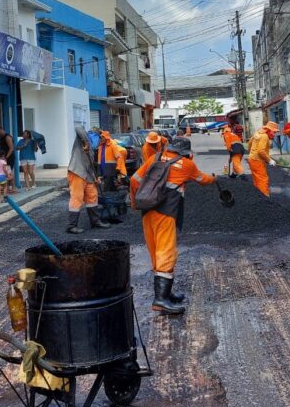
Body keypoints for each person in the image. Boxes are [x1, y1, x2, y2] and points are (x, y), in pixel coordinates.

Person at [130, 139, 215, 315]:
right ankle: (160, 300)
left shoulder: (155, 158)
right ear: (185, 152)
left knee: (155, 250)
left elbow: (134, 180)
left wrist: (136, 202)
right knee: (166, 252)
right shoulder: (186, 164)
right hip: (166, 213)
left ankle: (166, 293)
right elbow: (203, 179)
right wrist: (214, 178)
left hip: (147, 211)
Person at [66, 126, 111, 234]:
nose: (100, 142)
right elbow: (78, 128)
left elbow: (90, 166)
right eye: (100, 139)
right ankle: (71, 226)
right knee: (77, 198)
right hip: (77, 172)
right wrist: (85, 141)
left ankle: (95, 221)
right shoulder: (81, 141)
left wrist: (95, 178)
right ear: (95, 136)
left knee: (92, 196)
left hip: (88, 175)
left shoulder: (92, 151)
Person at [247, 121, 279, 197]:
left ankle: (258, 196)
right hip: (257, 161)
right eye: (274, 132)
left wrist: (252, 153)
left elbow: (249, 144)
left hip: (251, 159)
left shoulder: (257, 133)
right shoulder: (264, 136)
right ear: (269, 130)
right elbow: (261, 151)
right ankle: (265, 197)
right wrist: (269, 160)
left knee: (256, 179)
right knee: (263, 179)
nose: (274, 134)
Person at [0, 127, 18, 194]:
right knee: (5, 172)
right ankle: (7, 188)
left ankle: (13, 188)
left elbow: (11, 148)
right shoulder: (2, 137)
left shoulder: (7, 137)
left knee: (9, 172)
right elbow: (0, 143)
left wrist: (6, 157)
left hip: (9, 157)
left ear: (1, 131)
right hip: (4, 157)